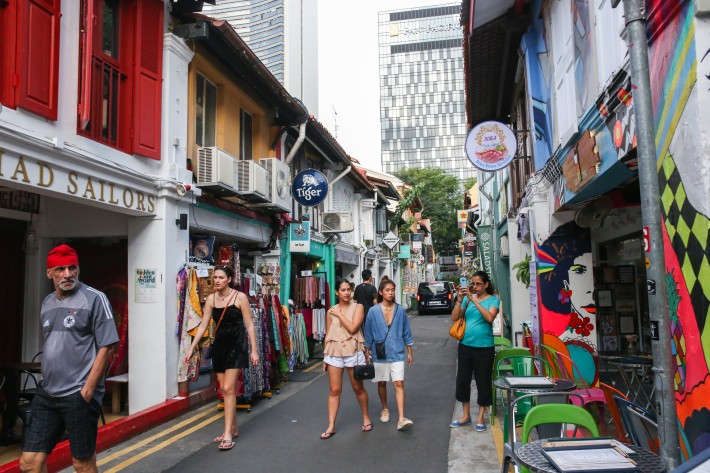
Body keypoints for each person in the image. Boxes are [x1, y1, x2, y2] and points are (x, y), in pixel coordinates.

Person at [20, 244, 120, 473]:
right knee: (29, 463)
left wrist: (88, 389)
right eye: (60, 269)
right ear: (49, 273)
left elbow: (108, 346)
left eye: (72, 268)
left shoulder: (95, 298)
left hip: (78, 394)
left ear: (78, 269)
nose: (67, 274)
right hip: (48, 393)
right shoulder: (47, 303)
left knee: (82, 464)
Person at [185, 266, 259, 451]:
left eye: (220, 277)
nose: (216, 280)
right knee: (224, 391)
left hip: (236, 344)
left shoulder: (240, 297)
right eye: (215, 277)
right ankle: (232, 428)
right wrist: (191, 349)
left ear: (229, 279)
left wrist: (254, 350)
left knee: (228, 388)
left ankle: (227, 433)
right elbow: (203, 326)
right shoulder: (211, 299)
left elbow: (249, 325)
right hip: (219, 345)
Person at [320, 279, 371, 439]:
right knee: (334, 390)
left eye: (349, 289)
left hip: (353, 351)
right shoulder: (330, 311)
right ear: (337, 292)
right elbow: (328, 334)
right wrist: (324, 357)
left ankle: (366, 417)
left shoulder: (358, 307)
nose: (347, 292)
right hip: (334, 352)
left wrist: (340, 315)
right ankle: (331, 426)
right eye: (343, 290)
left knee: (358, 388)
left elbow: (353, 328)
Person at [449, 270, 499, 432]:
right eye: (473, 283)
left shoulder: (493, 300)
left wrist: (474, 300)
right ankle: (465, 415)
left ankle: (480, 417)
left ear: (486, 285)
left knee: (483, 381)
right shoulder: (467, 300)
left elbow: (489, 317)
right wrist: (460, 300)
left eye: (478, 284)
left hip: (484, 348)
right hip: (465, 346)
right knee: (462, 381)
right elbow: (454, 317)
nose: (475, 286)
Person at [364, 278, 414, 431]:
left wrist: (410, 351)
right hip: (379, 352)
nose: (391, 292)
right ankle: (385, 408)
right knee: (382, 382)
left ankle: (401, 418)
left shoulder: (400, 310)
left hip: (397, 351)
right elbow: (368, 332)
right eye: (387, 290)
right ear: (381, 292)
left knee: (399, 383)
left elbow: (406, 331)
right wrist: (367, 351)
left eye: (392, 290)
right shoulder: (373, 311)